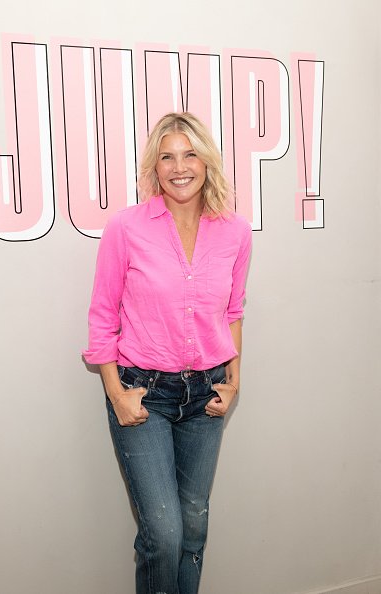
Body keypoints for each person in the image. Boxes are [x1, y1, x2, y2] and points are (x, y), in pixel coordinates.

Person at [83, 112, 252, 594]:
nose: (180, 167)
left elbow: (233, 310)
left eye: (190, 153)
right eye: (167, 157)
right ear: (154, 169)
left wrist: (234, 379)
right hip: (143, 394)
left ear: (207, 162)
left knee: (194, 528)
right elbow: (102, 315)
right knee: (163, 532)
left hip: (206, 395)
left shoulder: (235, 231)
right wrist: (117, 393)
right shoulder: (127, 228)